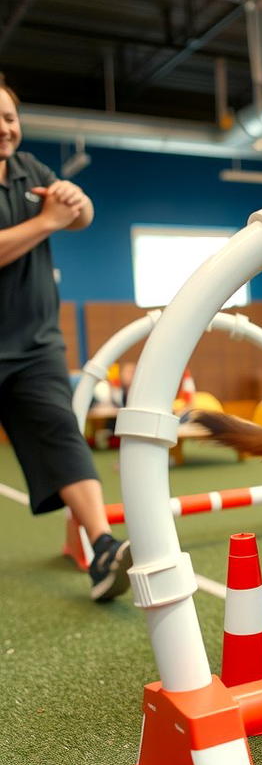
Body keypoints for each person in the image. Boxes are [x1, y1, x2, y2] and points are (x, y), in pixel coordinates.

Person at [0, 75, 131, 602]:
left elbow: (80, 216)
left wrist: (75, 202)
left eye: (8, 117)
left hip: (34, 344)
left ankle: (101, 547)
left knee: (61, 431)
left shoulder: (29, 170)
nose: (4, 129)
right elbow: (49, 223)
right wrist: (49, 220)